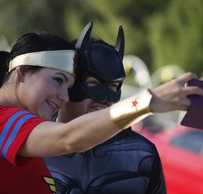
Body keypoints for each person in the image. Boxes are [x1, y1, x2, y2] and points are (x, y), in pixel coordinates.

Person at [0, 28, 203, 194]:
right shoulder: (2, 122)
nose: (64, 96)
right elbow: (69, 139)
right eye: (57, 80)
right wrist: (146, 102)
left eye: (69, 85)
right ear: (21, 72)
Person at [45, 22, 167, 194]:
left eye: (113, 86)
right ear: (69, 83)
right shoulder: (35, 143)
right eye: (93, 83)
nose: (105, 98)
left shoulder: (140, 154)